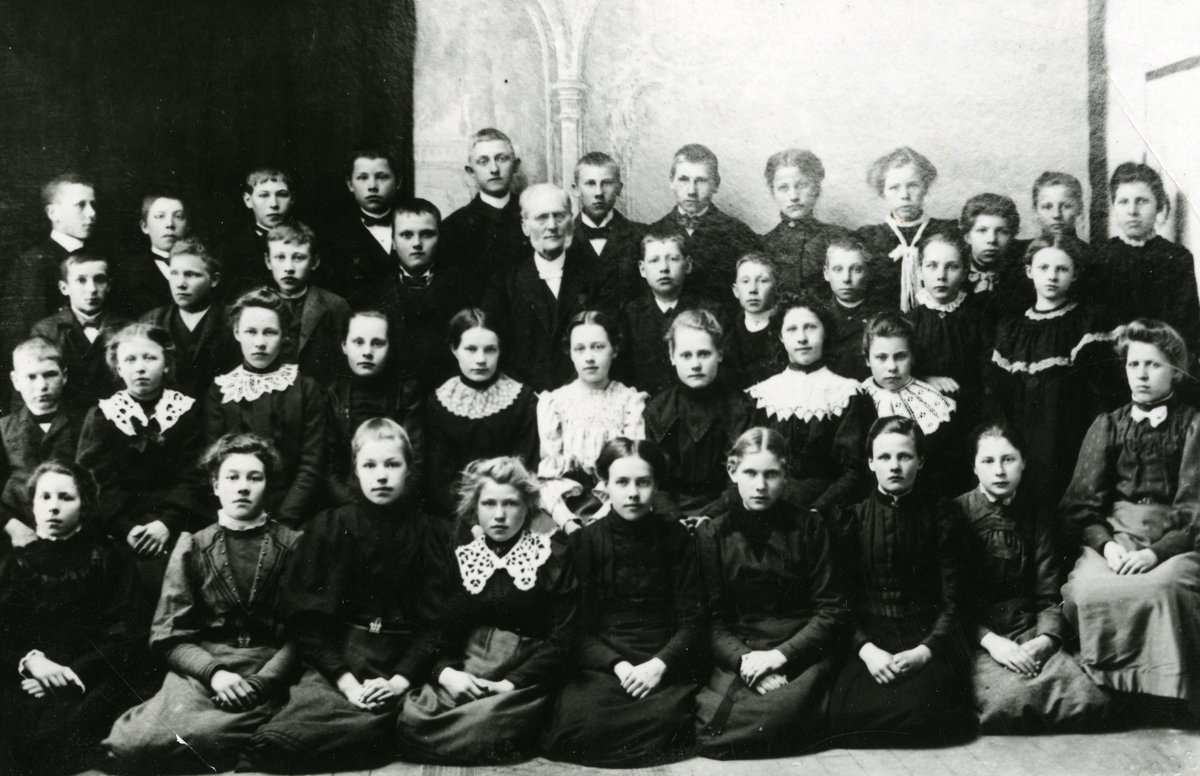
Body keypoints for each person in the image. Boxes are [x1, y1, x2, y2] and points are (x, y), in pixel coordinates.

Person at [241, 419, 442, 772]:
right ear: (356, 470)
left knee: (412, 721)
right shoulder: (330, 526)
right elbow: (304, 620)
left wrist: (399, 682)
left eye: (392, 464)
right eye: (370, 465)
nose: (381, 476)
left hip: (405, 664)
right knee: (286, 737)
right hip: (342, 662)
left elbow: (440, 623)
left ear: (409, 469)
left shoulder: (431, 532)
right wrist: (348, 685)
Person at [103, 434, 302, 771]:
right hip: (203, 669)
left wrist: (262, 682)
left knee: (209, 735)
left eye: (254, 477)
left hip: (266, 669)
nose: (243, 487)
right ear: (216, 485)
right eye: (232, 477)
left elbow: (305, 633)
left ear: (268, 485)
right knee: (131, 743)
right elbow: (168, 634)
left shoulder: (293, 545)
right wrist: (215, 673)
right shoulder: (193, 545)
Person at [395, 456, 577, 764]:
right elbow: (438, 629)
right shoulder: (463, 557)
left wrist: (510, 682)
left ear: (528, 507)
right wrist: (446, 674)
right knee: (411, 719)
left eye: (511, 504)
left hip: (526, 679)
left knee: (486, 726)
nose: (500, 515)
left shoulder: (551, 554)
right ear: (475, 507)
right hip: (471, 672)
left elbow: (565, 637)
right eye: (489, 503)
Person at [1060, 320, 1200, 715]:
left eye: (1153, 365)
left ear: (1176, 371)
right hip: (1117, 536)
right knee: (1089, 590)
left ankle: (1167, 696)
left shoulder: (1193, 425)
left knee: (1164, 588)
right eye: (1133, 364)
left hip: (1178, 540)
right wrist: (1106, 546)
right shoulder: (1109, 424)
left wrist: (1156, 553)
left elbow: (1195, 507)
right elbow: (1081, 505)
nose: (1141, 374)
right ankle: (1111, 694)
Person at [542, 439, 702, 766]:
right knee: (577, 728)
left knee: (671, 722)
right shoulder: (586, 541)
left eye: (643, 482)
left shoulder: (677, 538)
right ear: (605, 485)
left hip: (662, 661)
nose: (633, 493)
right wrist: (618, 666)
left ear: (656, 485)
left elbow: (693, 622)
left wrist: (659, 665)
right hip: (606, 665)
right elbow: (578, 630)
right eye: (622, 482)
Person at [693, 427, 849, 759]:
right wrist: (745, 662)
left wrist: (778, 658)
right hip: (743, 650)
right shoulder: (713, 533)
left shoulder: (809, 526)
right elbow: (712, 620)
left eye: (771, 474)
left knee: (786, 710)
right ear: (732, 470)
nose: (761, 485)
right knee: (713, 726)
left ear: (786, 474)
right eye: (750, 473)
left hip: (800, 649)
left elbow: (831, 611)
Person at [947, 422, 1111, 733]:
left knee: (1091, 703)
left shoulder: (1037, 513)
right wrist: (993, 643)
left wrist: (1045, 641)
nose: (999, 471)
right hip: (977, 638)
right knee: (1008, 705)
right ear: (974, 466)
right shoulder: (954, 514)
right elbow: (950, 603)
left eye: (1008, 459)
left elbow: (1049, 595)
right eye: (988, 461)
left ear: (1023, 462)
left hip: (1028, 631)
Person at [828, 416, 974, 744]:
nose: (894, 466)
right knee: (842, 716)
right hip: (868, 639)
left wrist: (925, 651)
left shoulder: (941, 515)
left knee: (932, 717)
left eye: (904, 456)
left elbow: (957, 601)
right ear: (870, 463)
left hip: (925, 636)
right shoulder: (851, 519)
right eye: (884, 457)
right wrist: (867, 650)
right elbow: (839, 600)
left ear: (920, 461)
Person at [0, 461, 149, 776]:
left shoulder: (109, 557)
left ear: (84, 504)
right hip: (24, 679)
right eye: (45, 497)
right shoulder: (14, 565)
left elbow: (128, 634)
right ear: (33, 504)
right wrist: (31, 663)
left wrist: (69, 674)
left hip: (92, 677)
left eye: (66, 497)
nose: (54, 507)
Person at [77, 322, 206, 601]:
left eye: (150, 358)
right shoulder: (104, 415)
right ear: (118, 367)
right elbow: (94, 478)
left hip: (177, 520)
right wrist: (126, 529)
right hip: (121, 526)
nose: (140, 368)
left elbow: (197, 474)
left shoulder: (187, 411)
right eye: (130, 360)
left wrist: (167, 523)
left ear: (167, 364)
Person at [989, 236, 1120, 504]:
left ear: (1075, 274)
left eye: (1062, 269)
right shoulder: (1011, 328)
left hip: (1069, 435)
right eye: (1043, 268)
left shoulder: (1087, 322)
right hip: (1023, 434)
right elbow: (999, 395)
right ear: (1029, 271)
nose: (1052, 276)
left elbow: (1100, 396)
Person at [205, 288, 326, 527]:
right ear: (237, 332)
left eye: (270, 332)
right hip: (237, 511)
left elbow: (312, 463)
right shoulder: (221, 390)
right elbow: (216, 463)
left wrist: (286, 519)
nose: (260, 343)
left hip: (295, 514)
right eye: (251, 332)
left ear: (284, 335)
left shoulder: (304, 387)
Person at [745, 290, 873, 512]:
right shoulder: (762, 396)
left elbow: (855, 471)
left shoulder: (848, 394)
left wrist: (818, 510)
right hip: (772, 507)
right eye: (792, 329)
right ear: (780, 336)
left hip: (831, 511)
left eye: (811, 327)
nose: (802, 338)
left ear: (825, 332)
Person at [482, 183, 609, 392]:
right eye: (541, 217)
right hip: (522, 398)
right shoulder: (504, 283)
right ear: (525, 226)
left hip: (584, 394)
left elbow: (607, 343)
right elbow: (494, 348)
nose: (552, 225)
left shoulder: (597, 277)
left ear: (571, 221)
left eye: (559, 216)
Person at [424, 309, 538, 516]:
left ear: (500, 351)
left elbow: (527, 468)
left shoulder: (523, 400)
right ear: (454, 350)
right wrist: (471, 520)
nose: (481, 359)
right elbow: (439, 479)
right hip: (455, 516)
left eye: (490, 350)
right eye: (470, 349)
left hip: (511, 511)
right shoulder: (437, 403)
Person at [537, 311, 646, 527]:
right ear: (570, 353)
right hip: (565, 505)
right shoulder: (555, 402)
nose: (589, 357)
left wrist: (598, 522)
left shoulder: (629, 401)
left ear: (614, 349)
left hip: (616, 504)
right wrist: (568, 522)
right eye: (580, 348)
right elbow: (549, 476)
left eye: (598, 347)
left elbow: (633, 467)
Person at [644, 310, 754, 516]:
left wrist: (709, 519)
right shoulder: (657, 410)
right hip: (669, 513)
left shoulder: (740, 408)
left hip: (725, 510)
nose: (695, 364)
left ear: (719, 353)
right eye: (686, 355)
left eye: (704, 354)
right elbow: (653, 479)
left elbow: (742, 477)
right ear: (672, 356)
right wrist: (674, 518)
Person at [356, 198, 469, 394]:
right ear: (393, 241)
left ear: (440, 238)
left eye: (427, 234)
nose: (417, 243)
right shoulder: (370, 297)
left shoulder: (464, 292)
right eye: (406, 235)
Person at [1093, 162, 1200, 354]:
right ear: (1113, 206)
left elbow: (1187, 326)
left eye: (1142, 201)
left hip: (1163, 354)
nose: (1132, 211)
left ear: (1158, 205)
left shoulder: (1177, 258)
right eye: (1123, 202)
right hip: (1111, 355)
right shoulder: (1099, 257)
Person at [860, 312, 966, 496]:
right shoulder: (856, 399)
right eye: (881, 357)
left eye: (900, 356)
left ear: (913, 357)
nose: (892, 367)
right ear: (868, 359)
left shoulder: (935, 402)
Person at [325, 310, 424, 507]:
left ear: (390, 347)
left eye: (377, 343)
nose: (367, 352)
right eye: (358, 342)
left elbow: (417, 464)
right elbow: (329, 468)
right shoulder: (333, 395)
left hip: (399, 503)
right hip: (348, 505)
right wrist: (355, 508)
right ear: (344, 345)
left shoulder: (406, 392)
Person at [617, 224, 722, 396]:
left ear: (687, 265)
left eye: (672, 259)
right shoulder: (629, 315)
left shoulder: (713, 312)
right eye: (654, 260)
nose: (664, 268)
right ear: (642, 269)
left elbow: (727, 370)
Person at [0, 338, 85, 551]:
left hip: (77, 534)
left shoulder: (86, 423)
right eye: (31, 377)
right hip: (18, 531)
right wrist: (12, 526)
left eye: (50, 374)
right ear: (15, 380)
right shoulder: (3, 429)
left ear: (64, 376)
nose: (42, 386)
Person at [648, 143, 761, 302]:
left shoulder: (740, 234)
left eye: (700, 181)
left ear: (716, 184)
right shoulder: (652, 233)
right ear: (671, 181)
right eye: (683, 179)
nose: (691, 191)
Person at [854, 147, 958, 312]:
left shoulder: (948, 231)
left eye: (913, 185)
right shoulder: (868, 237)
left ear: (925, 188)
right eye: (894, 187)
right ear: (883, 192)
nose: (904, 195)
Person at [907, 230, 991, 429]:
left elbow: (989, 375)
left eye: (952, 267)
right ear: (920, 271)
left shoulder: (979, 318)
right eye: (932, 266)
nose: (941, 276)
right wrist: (924, 380)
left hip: (972, 414)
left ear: (964, 272)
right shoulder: (909, 322)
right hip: (921, 415)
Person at [140, 237, 239, 399]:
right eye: (174, 273)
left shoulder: (232, 321)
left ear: (214, 280)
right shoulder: (151, 322)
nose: (180, 283)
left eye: (191, 275)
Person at [8, 173, 98, 347]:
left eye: (93, 204)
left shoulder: (100, 259)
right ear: (53, 213)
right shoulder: (33, 263)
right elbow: (28, 331)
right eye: (80, 205)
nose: (91, 213)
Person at [439, 128, 527, 305]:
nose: (494, 169)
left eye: (501, 158)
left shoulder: (534, 215)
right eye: (483, 161)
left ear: (516, 165)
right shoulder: (453, 226)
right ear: (471, 172)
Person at [31, 251, 129, 409]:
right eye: (81, 280)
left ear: (109, 286)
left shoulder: (127, 328)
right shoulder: (46, 331)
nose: (92, 289)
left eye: (99, 279)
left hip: (116, 415)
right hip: (66, 416)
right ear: (64, 288)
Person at [265, 221, 351, 387]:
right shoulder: (255, 306)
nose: (289, 267)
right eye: (280, 257)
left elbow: (343, 368)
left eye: (298, 257)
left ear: (314, 262)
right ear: (268, 261)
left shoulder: (335, 307)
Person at [760, 148, 848, 292]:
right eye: (783, 188)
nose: (794, 196)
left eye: (801, 185)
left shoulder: (839, 238)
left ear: (816, 188)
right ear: (773, 192)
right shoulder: (762, 246)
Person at [567, 151, 647, 305]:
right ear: (576, 189)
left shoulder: (641, 235)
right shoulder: (562, 238)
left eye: (607, 183)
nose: (599, 192)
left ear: (619, 188)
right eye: (590, 183)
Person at [324, 146, 401, 297]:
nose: (372, 186)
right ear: (350, 184)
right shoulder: (333, 236)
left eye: (382, 177)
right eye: (362, 178)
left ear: (397, 182)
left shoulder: (415, 227)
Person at [218, 167, 295, 299]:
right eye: (264, 195)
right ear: (248, 200)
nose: (274, 204)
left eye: (282, 194)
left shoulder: (310, 242)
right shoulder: (230, 249)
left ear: (292, 198)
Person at [116, 191, 190, 318]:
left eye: (178, 216)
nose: (170, 224)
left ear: (188, 226)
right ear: (144, 226)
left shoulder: (203, 268)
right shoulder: (128, 274)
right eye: (160, 216)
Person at [960, 193, 1032, 322]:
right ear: (967, 236)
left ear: (1012, 236)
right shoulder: (956, 273)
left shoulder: (1023, 277)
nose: (992, 240)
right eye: (982, 230)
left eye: (1002, 231)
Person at [822, 235, 880, 382]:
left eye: (856, 269)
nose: (846, 279)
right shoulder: (816, 316)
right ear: (826, 273)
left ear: (868, 272)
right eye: (838, 269)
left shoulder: (882, 316)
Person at [722, 253, 782, 389]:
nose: (753, 290)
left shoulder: (788, 330)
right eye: (745, 281)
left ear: (778, 289)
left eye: (763, 281)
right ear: (736, 291)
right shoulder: (728, 334)